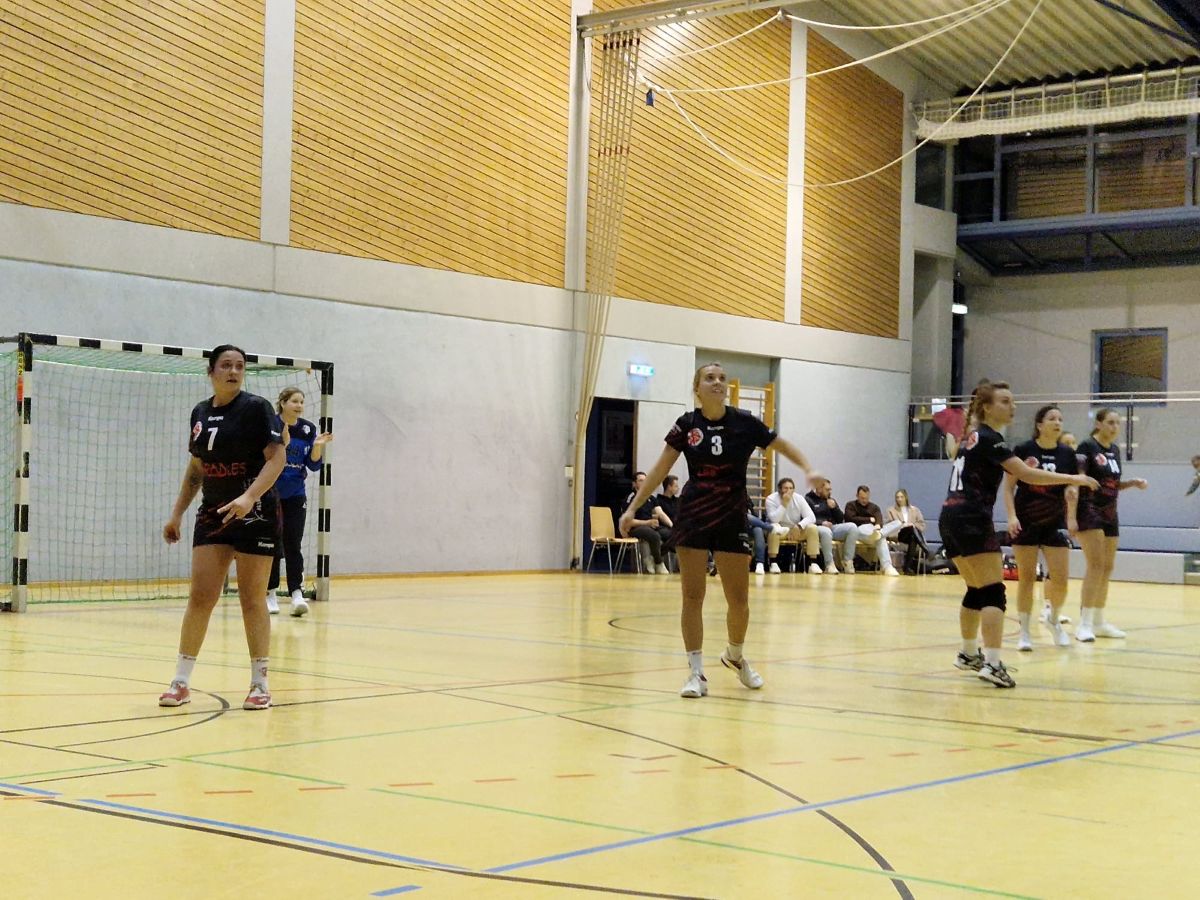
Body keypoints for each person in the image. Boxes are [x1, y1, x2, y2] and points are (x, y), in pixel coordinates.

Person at [620, 362, 814, 698]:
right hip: (694, 513)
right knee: (692, 596)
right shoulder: (687, 424)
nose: (717, 382)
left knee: (738, 600)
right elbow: (660, 468)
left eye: (722, 378)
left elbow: (780, 444)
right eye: (709, 378)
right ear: (697, 388)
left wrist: (809, 469)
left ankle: (734, 656)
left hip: (731, 514)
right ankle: (696, 673)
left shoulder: (744, 422)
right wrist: (633, 508)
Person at [941, 381, 1097, 688]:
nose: (1012, 407)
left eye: (1013, 401)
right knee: (992, 593)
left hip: (951, 517)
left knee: (976, 590)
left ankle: (969, 653)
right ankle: (993, 663)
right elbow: (1024, 474)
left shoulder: (971, 437)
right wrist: (1074, 478)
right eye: (1004, 401)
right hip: (971, 519)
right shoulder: (990, 438)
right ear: (987, 407)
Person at [159, 345, 287, 710]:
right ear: (211, 371)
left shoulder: (257, 408)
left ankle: (260, 684)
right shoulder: (200, 412)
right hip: (213, 514)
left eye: (239, 366)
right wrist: (177, 514)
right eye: (226, 365)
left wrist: (249, 497)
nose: (233, 371)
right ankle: (181, 682)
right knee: (201, 596)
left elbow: (277, 459)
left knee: (252, 599)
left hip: (255, 513)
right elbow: (197, 468)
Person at [1002, 405, 1078, 650]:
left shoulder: (1067, 454)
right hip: (1026, 521)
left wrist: (1071, 506)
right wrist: (1011, 517)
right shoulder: (1024, 450)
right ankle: (1025, 631)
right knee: (1026, 578)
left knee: (1061, 580)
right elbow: (1008, 487)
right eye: (1052, 418)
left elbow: (1071, 485)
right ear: (1039, 424)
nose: (1057, 422)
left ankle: (1053, 619)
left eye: (1060, 419)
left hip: (1054, 522)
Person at [1073, 408, 1148, 642]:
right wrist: (1071, 516)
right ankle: (1084, 624)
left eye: (1118, 423)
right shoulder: (1087, 447)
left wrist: (1131, 483)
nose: (1115, 427)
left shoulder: (1115, 450)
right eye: (1110, 422)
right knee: (1095, 565)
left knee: (1107, 567)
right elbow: (1077, 480)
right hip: (1089, 510)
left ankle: (1098, 621)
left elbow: (1112, 484)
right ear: (1098, 424)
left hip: (1110, 512)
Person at [267, 387, 333, 617]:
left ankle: (296, 593)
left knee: (293, 544)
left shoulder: (307, 429)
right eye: (294, 401)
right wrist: (283, 444)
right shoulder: (272, 424)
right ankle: (270, 594)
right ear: (283, 403)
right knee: (273, 545)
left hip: (296, 495)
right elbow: (266, 457)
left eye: (302, 402)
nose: (299, 405)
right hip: (271, 494)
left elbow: (313, 465)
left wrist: (317, 446)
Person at [843, 486, 901, 576]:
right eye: (862, 498)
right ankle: (887, 567)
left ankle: (879, 534)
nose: (864, 500)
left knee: (897, 523)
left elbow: (879, 518)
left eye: (866, 498)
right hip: (858, 530)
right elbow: (850, 518)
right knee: (880, 538)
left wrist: (877, 525)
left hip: (873, 529)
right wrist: (869, 519)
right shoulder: (850, 505)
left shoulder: (874, 507)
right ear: (857, 496)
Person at [764, 477, 817, 573]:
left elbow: (811, 517)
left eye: (791, 488)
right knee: (773, 528)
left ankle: (812, 563)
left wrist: (799, 526)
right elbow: (774, 519)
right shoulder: (771, 499)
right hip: (780, 529)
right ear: (779, 489)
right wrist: (784, 504)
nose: (788, 491)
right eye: (785, 488)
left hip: (795, 530)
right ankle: (773, 563)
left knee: (812, 528)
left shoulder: (799, 498)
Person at [804, 475, 854, 574]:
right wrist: (821, 522)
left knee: (852, 527)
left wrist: (834, 508)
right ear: (819, 488)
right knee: (826, 531)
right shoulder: (808, 499)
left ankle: (847, 561)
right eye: (827, 489)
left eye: (830, 489)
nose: (830, 492)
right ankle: (829, 564)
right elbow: (806, 518)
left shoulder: (830, 500)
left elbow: (840, 519)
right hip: (816, 528)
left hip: (833, 527)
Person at [624, 472, 671, 574]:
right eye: (641, 480)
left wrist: (673, 526)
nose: (644, 483)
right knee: (654, 536)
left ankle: (652, 558)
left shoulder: (650, 497)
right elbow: (628, 522)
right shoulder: (631, 498)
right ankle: (659, 563)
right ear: (634, 484)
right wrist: (647, 522)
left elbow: (661, 513)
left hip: (650, 525)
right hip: (635, 527)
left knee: (672, 535)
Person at [886, 489, 929, 574]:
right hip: (899, 535)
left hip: (911, 536)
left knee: (913, 536)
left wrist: (912, 525)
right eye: (897, 497)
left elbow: (922, 525)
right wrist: (902, 526)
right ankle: (925, 548)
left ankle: (907, 568)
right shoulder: (891, 510)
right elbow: (889, 526)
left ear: (906, 497)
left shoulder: (915, 510)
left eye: (901, 497)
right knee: (911, 530)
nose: (899, 499)